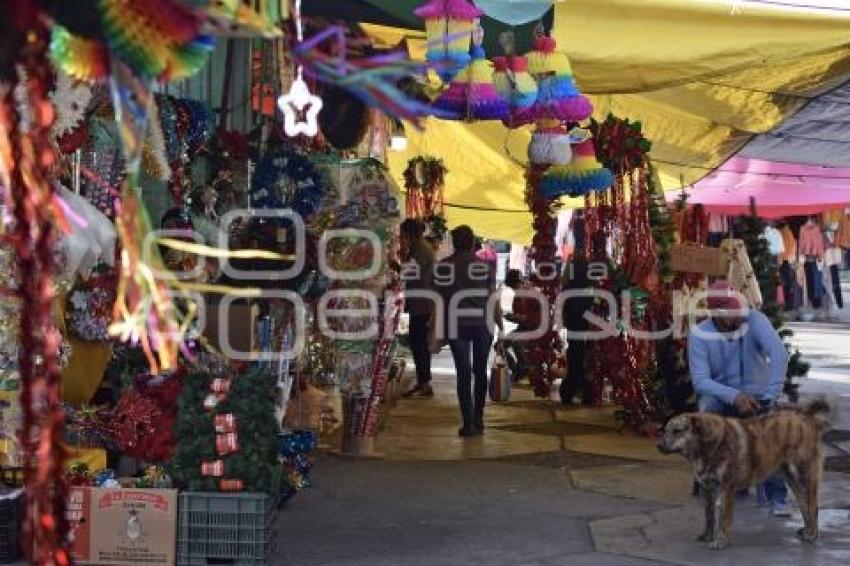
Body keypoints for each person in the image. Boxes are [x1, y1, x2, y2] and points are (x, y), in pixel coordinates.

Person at [688, 280, 791, 516]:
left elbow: (779, 354)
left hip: (758, 393)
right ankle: (714, 483)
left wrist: (770, 394)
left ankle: (777, 496)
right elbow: (701, 380)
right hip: (720, 395)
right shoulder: (700, 334)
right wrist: (734, 397)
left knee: (770, 430)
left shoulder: (756, 320)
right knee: (708, 416)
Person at [434, 225, 502, 437]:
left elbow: (438, 302)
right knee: (480, 371)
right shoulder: (485, 267)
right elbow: (493, 299)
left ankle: (468, 422)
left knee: (463, 373)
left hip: (456, 325)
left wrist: (434, 329)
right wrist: (500, 323)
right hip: (483, 324)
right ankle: (479, 417)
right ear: (472, 242)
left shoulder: (443, 267)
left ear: (454, 242)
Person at [400, 219, 436, 398]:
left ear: (409, 233)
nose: (402, 237)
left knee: (418, 342)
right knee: (419, 342)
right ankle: (424, 381)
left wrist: (394, 264)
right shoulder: (419, 247)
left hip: (422, 303)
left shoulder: (419, 248)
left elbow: (407, 271)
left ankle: (424, 382)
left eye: (403, 233)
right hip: (421, 302)